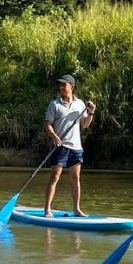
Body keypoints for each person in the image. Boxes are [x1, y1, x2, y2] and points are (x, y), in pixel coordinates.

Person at [43, 74, 96, 218]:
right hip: (61, 146)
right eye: (60, 85)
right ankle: (47, 210)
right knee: (55, 177)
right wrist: (54, 136)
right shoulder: (55, 104)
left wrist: (90, 112)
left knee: (75, 178)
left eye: (64, 85)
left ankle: (77, 209)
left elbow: (85, 125)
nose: (61, 87)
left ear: (71, 86)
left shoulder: (80, 104)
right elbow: (47, 125)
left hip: (76, 148)